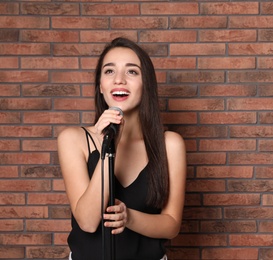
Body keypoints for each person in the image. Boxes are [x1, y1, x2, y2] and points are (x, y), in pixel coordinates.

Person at [57, 37, 187, 260]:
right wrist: (111, 145)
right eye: (109, 71)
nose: (119, 80)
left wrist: (129, 218)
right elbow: (88, 222)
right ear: (100, 85)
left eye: (132, 72)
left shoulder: (170, 144)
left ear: (146, 84)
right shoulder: (73, 139)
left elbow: (171, 225)